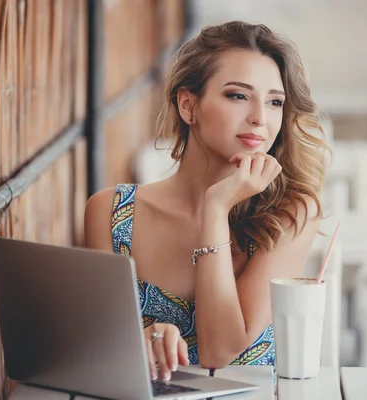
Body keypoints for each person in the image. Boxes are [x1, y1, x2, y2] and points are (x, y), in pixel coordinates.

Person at [84, 20, 329, 381]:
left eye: (275, 102)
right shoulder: (110, 213)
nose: (260, 118)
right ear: (188, 106)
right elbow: (98, 349)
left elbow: (219, 351)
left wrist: (215, 210)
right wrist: (145, 337)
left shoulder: (292, 212)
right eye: (238, 95)